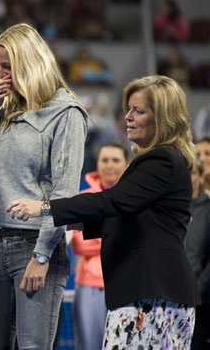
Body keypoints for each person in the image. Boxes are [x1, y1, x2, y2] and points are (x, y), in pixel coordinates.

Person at [10, 75, 200, 348]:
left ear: (163, 118)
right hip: (153, 293)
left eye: (139, 111)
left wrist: (45, 207)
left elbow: (113, 201)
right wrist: (75, 224)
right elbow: (132, 216)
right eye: (128, 109)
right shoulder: (163, 160)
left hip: (152, 294)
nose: (128, 117)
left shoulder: (162, 160)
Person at [0, 23, 88, 350]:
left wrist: (42, 255)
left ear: (31, 63)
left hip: (34, 245)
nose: (1, 74)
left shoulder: (66, 112)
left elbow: (64, 193)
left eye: (8, 66)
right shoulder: (7, 107)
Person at [71, 143, 129, 350]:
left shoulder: (135, 198)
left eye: (115, 160)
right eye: (105, 160)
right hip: (89, 285)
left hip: (127, 285)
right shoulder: (83, 198)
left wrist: (98, 236)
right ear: (97, 164)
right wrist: (118, 239)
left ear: (127, 164)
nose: (109, 165)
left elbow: (135, 241)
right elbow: (78, 243)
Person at [185, 158, 210, 350]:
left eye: (193, 173)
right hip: (170, 297)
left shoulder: (208, 209)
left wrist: (197, 289)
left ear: (201, 177)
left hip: (201, 302)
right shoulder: (169, 209)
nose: (188, 178)